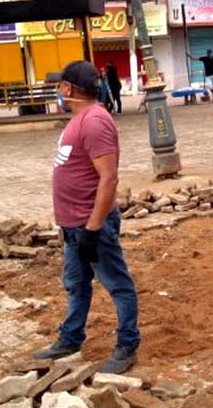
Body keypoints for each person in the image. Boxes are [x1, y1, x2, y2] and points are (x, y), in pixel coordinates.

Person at [34, 61, 140, 374]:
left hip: (91, 224)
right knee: (76, 284)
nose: (58, 91)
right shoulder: (81, 119)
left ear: (68, 88)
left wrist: (93, 229)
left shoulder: (94, 121)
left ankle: (127, 345)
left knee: (118, 284)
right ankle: (70, 339)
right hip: (74, 225)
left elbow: (109, 178)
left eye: (60, 85)